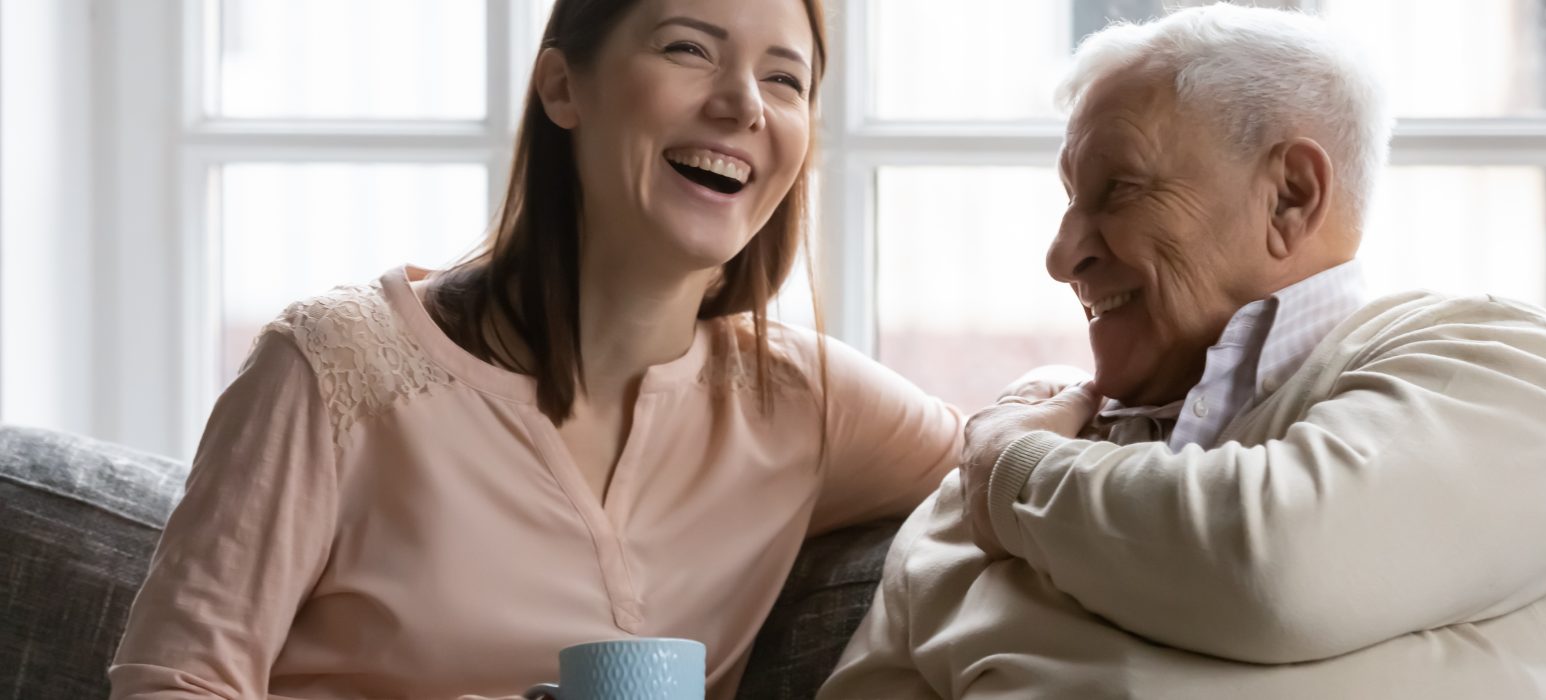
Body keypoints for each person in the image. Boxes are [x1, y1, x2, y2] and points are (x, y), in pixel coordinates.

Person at [109, 1, 967, 698]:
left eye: (786, 79)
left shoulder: (801, 402)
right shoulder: (333, 369)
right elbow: (171, 685)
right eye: (688, 49)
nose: (744, 103)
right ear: (563, 87)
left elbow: (1016, 460)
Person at [819, 5, 1546, 699]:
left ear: (1290, 195)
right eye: (1069, 200)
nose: (1061, 257)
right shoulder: (999, 465)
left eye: (1119, 189)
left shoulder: (1500, 367)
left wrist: (1018, 475)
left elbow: (1279, 572)